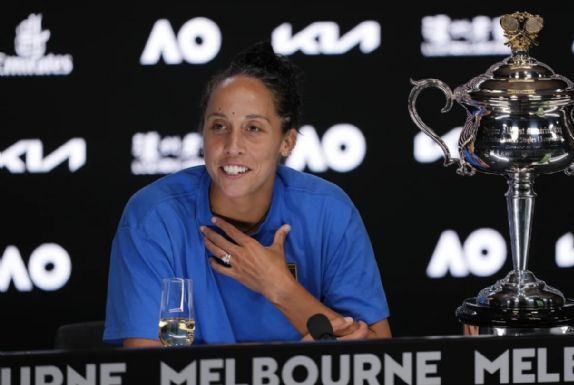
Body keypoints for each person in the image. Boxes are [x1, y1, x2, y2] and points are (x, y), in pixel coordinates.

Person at [103, 41, 391, 346]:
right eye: (218, 126)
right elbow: (149, 371)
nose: (232, 146)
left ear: (287, 142)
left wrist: (279, 288)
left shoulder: (330, 212)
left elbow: (378, 358)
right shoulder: (154, 218)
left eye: (253, 128)